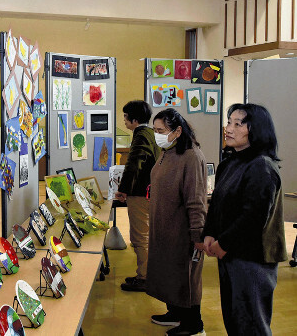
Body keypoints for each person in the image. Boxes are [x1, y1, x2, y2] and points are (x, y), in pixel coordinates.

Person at [203, 103, 287, 335]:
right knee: (235, 319)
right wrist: (209, 234)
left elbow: (253, 217)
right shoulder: (230, 163)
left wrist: (224, 243)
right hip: (230, 254)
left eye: (237, 124)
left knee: (251, 323)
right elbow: (217, 204)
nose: (228, 128)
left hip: (252, 258)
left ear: (256, 130)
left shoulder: (261, 166)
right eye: (229, 122)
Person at [146, 108, 207, 336]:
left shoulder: (191, 157)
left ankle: (193, 324)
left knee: (186, 277)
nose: (157, 135)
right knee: (168, 273)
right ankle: (175, 312)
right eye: (155, 130)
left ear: (178, 131)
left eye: (161, 131)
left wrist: (197, 235)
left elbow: (196, 201)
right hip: (164, 228)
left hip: (181, 231)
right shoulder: (167, 151)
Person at [114, 100, 161, 292]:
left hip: (141, 193)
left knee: (140, 237)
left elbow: (134, 165)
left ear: (134, 119)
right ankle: (146, 274)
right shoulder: (150, 133)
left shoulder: (141, 135)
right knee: (147, 236)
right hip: (150, 192)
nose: (124, 121)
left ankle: (145, 278)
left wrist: (123, 190)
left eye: (126, 117)